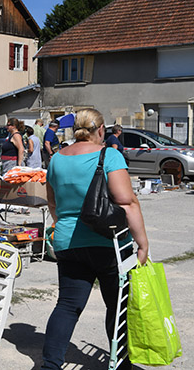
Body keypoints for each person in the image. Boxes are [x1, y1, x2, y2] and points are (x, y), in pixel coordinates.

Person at [41, 108, 149, 370]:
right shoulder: (109, 155)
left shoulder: (56, 159)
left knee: (67, 306)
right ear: (101, 130)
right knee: (117, 306)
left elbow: (52, 203)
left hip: (67, 242)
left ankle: (49, 366)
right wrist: (142, 243)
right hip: (107, 241)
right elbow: (127, 201)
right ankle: (121, 364)